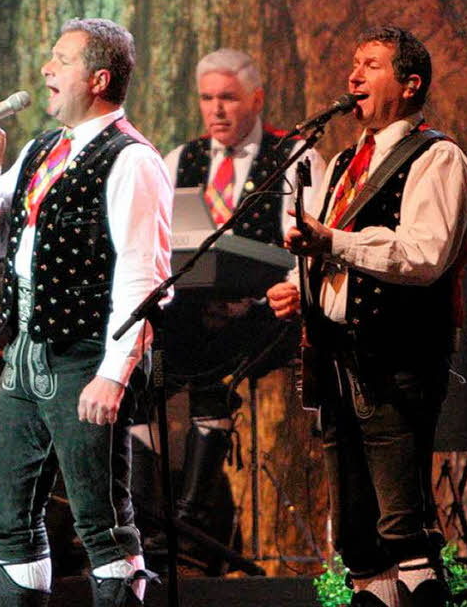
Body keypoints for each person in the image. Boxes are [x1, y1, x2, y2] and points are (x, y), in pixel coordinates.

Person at [0, 18, 172, 606]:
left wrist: (113, 372)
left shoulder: (131, 160)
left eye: (62, 60)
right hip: (25, 354)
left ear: (99, 78)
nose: (46, 70)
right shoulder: (40, 149)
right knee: (5, 518)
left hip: (84, 357)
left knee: (102, 527)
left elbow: (142, 276)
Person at [267, 27, 467, 607]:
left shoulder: (438, 157)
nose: (353, 76)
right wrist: (297, 284)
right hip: (336, 360)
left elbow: (424, 254)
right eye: (353, 63)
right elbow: (331, 252)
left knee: (402, 526)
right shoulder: (341, 162)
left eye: (372, 65)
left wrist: (331, 240)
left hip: (397, 358)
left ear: (410, 85)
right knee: (358, 538)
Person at [158, 49, 324, 570]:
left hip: (266, 312)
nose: (217, 110)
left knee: (213, 368)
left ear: (256, 98)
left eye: (228, 98)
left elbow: (313, 244)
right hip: (191, 313)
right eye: (207, 99)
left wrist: (278, 289)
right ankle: (149, 515)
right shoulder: (178, 159)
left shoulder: (297, 156)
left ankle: (188, 518)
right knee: (145, 368)